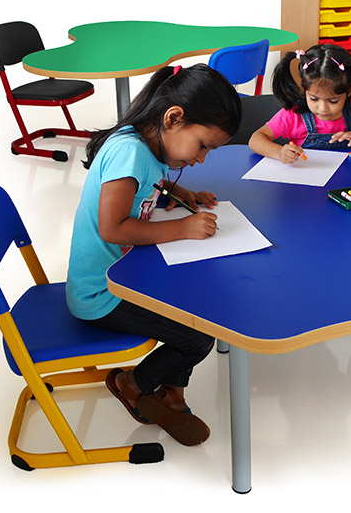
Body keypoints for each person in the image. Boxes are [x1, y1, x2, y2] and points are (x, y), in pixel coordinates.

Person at [66, 64, 242, 445]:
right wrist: (181, 227)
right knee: (198, 337)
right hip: (101, 293)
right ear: (174, 118)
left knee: (197, 307)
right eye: (203, 146)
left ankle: (172, 395)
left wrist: (183, 196)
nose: (201, 159)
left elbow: (153, 184)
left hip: (126, 274)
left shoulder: (149, 144)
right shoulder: (129, 153)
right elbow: (112, 228)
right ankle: (132, 383)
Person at [249, 44, 351, 162]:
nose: (322, 109)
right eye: (314, 99)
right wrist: (278, 152)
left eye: (333, 101)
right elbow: (256, 139)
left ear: (350, 90)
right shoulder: (295, 115)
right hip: (306, 185)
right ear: (305, 89)